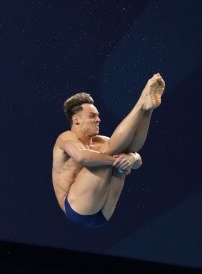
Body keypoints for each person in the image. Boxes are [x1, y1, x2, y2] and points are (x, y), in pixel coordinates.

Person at [51, 73, 165, 227]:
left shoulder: (102, 141)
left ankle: (147, 109)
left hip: (103, 213)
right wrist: (117, 162)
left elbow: (138, 161)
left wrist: (132, 158)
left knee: (122, 150)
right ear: (76, 119)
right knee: (107, 154)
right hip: (77, 209)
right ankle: (140, 103)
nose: (98, 119)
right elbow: (82, 157)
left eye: (98, 116)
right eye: (92, 116)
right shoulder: (65, 138)